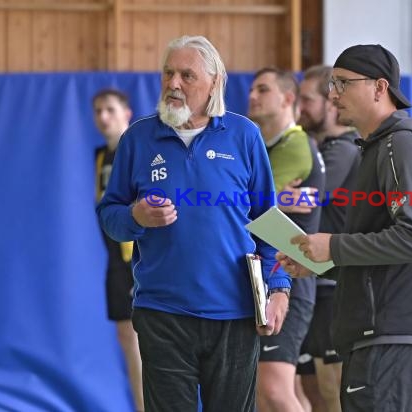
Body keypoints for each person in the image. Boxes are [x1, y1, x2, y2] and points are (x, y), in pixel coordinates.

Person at [96, 35, 291, 412]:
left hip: (234, 313)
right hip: (161, 313)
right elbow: (110, 217)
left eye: (187, 75)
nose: (173, 84)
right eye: (168, 73)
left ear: (215, 82)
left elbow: (270, 221)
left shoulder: (244, 135)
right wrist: (136, 216)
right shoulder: (138, 137)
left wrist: (279, 287)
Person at [277, 44, 412, 412]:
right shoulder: (377, 148)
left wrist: (334, 247)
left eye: (342, 83)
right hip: (379, 335)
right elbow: (383, 251)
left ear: (379, 87)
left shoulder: (401, 144)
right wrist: (323, 262)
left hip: (394, 335)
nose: (332, 94)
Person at [248, 67, 324, 412]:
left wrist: (265, 197)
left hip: (289, 278)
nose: (252, 96)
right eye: (252, 89)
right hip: (266, 275)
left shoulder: (296, 144)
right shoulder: (265, 147)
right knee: (274, 392)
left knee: (275, 389)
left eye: (263, 89)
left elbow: (249, 204)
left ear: (287, 99)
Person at [297, 64, 361, 412]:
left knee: (331, 385)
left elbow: (310, 195)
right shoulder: (315, 149)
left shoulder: (344, 149)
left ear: (330, 103)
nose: (300, 107)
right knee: (308, 389)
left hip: (333, 286)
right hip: (310, 280)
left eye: (307, 99)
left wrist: (277, 194)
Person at [93, 88, 144, 411]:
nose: (102, 117)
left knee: (144, 339)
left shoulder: (138, 150)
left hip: (138, 259)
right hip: (115, 260)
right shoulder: (101, 156)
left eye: (110, 109)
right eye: (97, 110)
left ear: (127, 113)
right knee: (126, 338)